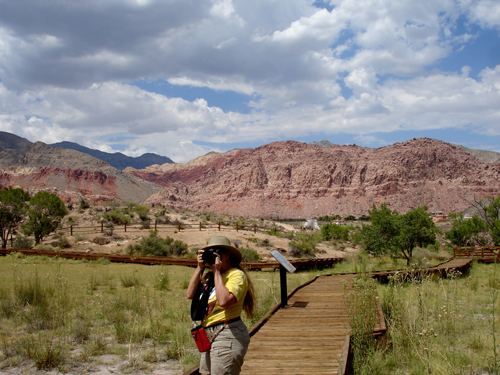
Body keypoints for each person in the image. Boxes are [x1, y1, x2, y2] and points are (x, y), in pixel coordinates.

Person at [187, 235, 255, 375]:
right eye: (210, 252)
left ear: (227, 254)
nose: (213, 256)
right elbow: (190, 294)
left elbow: (224, 301)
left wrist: (216, 271)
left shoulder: (236, 275)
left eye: (216, 252)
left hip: (228, 333)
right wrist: (200, 268)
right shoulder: (211, 277)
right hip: (208, 334)